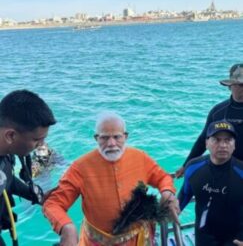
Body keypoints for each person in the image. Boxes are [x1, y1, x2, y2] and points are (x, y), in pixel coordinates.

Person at [43, 112, 179, 246]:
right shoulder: (80, 167)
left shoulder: (140, 157)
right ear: (96, 138)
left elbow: (163, 177)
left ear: (125, 137)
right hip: (97, 242)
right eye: (104, 138)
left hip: (139, 239)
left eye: (117, 137)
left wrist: (167, 192)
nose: (111, 143)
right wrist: (67, 228)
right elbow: (53, 204)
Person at [0, 89, 56, 245]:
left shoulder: (5, 151)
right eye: (37, 140)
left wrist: (38, 196)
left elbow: (7, 178)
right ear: (10, 135)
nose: (41, 145)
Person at [178, 120, 243, 246]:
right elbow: (184, 195)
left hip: (236, 237)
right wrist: (168, 212)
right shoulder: (193, 167)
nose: (223, 145)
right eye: (217, 140)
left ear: (234, 145)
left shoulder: (241, 171)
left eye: (228, 140)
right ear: (207, 143)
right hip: (204, 235)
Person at [176, 63, 243, 178]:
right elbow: (203, 140)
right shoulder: (218, 112)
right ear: (230, 85)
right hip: (226, 171)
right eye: (240, 85)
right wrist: (186, 165)